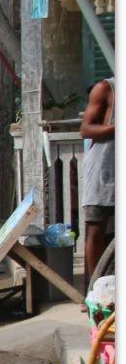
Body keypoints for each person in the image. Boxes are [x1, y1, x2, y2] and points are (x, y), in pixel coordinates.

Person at [80, 77, 114, 284]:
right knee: (96, 230)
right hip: (104, 169)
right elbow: (86, 129)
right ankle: (94, 290)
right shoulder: (106, 88)